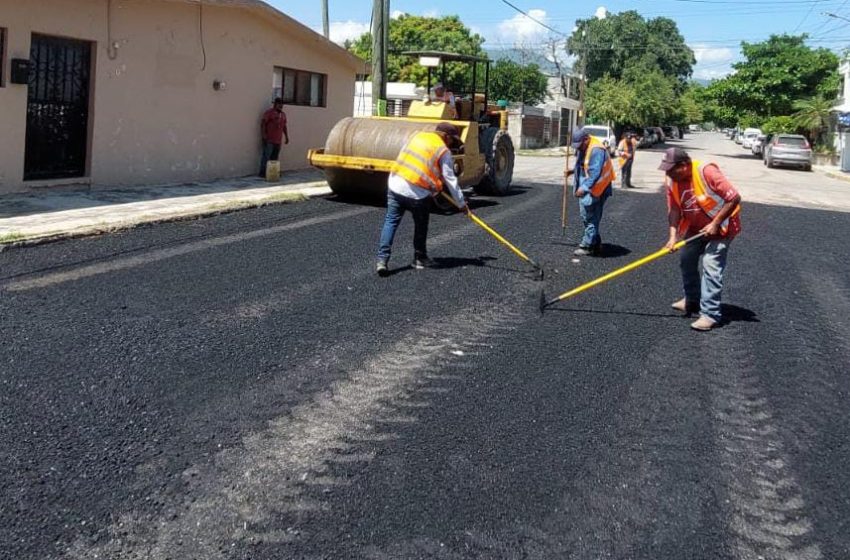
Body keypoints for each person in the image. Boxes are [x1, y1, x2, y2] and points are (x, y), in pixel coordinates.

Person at [660, 147, 742, 331]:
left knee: (711, 264)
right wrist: (672, 237)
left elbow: (734, 197)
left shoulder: (706, 171)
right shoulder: (671, 180)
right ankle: (692, 300)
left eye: (672, 169)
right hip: (696, 227)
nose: (668, 173)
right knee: (686, 259)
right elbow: (674, 209)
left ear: (684, 165)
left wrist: (715, 223)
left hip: (722, 227)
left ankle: (710, 314)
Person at [376, 123, 467, 277]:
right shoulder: (443, 150)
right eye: (452, 140)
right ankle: (420, 258)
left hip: (395, 183)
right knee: (421, 224)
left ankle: (382, 260)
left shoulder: (417, 136)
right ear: (446, 136)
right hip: (416, 193)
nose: (451, 144)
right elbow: (450, 180)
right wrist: (461, 204)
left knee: (391, 222)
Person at [570, 127, 615, 256]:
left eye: (579, 145)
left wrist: (583, 188)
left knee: (590, 217)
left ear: (586, 139)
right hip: (590, 187)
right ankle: (596, 243)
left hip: (597, 188)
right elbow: (583, 164)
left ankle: (587, 246)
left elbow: (595, 173)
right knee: (589, 217)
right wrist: (572, 171)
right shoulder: (584, 147)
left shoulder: (596, 150)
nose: (578, 148)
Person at [259, 97, 289, 177]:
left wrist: (286, 136)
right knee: (266, 156)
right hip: (269, 139)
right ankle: (263, 172)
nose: (281, 106)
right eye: (279, 104)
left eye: (282, 104)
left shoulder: (283, 115)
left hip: (278, 140)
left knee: (275, 158)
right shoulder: (269, 113)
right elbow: (263, 123)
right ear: (275, 104)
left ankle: (273, 172)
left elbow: (284, 126)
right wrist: (264, 135)